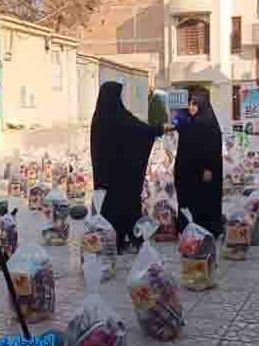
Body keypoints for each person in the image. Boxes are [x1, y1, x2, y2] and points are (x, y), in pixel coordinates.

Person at [90, 81, 172, 254]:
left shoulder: (99, 117)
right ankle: (122, 239)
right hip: (121, 174)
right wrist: (159, 129)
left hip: (105, 175)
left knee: (109, 207)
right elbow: (139, 130)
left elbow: (135, 129)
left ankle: (113, 241)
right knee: (125, 203)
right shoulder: (119, 116)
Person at [175, 94, 224, 238]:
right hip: (189, 171)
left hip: (204, 170)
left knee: (205, 199)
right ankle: (189, 228)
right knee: (189, 199)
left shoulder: (209, 124)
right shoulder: (189, 121)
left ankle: (207, 228)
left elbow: (214, 148)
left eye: (194, 105)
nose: (191, 107)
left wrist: (209, 168)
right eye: (189, 104)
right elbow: (177, 125)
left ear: (202, 106)